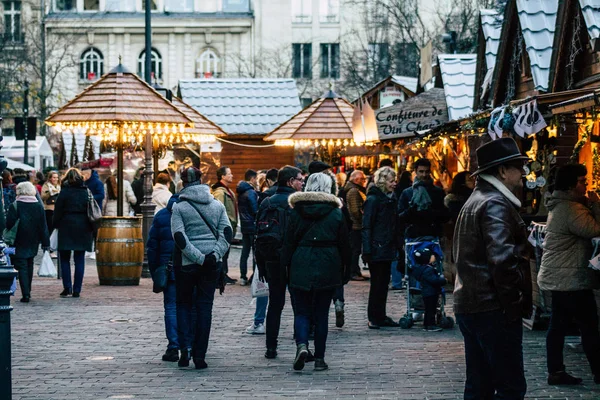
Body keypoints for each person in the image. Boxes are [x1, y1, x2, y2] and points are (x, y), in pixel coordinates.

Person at [453, 137, 532, 398]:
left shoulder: (478, 199)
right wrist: (513, 305)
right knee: (510, 386)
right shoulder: (494, 203)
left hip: (473, 305)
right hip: (492, 308)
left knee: (479, 384)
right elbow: (502, 261)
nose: (523, 174)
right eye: (518, 167)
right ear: (501, 171)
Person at [538, 164, 600, 385]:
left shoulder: (565, 205)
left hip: (561, 275)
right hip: (570, 278)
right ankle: (596, 370)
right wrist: (596, 204)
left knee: (559, 325)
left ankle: (556, 371)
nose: (586, 185)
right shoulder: (571, 209)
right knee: (589, 325)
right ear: (572, 184)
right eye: (583, 181)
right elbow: (594, 229)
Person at [282, 172, 351, 371]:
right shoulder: (336, 213)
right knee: (321, 314)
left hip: (300, 261)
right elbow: (345, 245)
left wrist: (284, 267)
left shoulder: (295, 212)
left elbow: (288, 242)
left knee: (301, 311)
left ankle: (302, 345)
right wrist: (346, 269)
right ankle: (319, 358)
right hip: (328, 262)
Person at [171, 167, 232, 370]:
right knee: (205, 307)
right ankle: (200, 355)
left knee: (183, 305)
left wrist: (197, 258)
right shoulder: (216, 205)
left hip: (187, 264)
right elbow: (227, 233)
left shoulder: (179, 208)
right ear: (201, 180)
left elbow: (179, 238)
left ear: (183, 183)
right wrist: (213, 256)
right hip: (211, 264)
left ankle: (184, 349)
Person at [256, 165, 303, 359]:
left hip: (272, 259)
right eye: (300, 179)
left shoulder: (267, 202)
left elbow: (259, 235)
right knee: (299, 303)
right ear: (290, 181)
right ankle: (300, 343)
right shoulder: (297, 203)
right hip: (293, 259)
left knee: (275, 304)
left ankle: (271, 346)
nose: (302, 183)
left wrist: (261, 265)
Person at [362, 166, 400, 329]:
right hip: (377, 246)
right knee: (377, 284)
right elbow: (367, 225)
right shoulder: (374, 200)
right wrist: (367, 249)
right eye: (392, 181)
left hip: (385, 245)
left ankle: (380, 315)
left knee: (383, 283)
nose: (394, 184)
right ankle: (374, 316)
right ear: (384, 182)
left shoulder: (390, 198)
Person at [147, 191, 180, 363]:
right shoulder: (197, 212)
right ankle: (190, 344)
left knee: (172, 307)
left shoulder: (162, 215)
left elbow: (152, 248)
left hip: (169, 268)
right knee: (192, 306)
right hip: (193, 267)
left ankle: (173, 346)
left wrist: (156, 271)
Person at [53, 168, 95, 298]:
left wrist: (55, 225)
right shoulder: (86, 192)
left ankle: (67, 287)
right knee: (79, 259)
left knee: (65, 259)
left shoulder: (64, 192)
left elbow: (57, 211)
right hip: (83, 226)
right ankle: (77, 289)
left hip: (66, 225)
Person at [6, 182, 50, 303]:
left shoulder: (15, 205)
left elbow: (9, 224)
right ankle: (28, 291)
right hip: (33, 239)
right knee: (29, 263)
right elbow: (43, 226)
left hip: (19, 239)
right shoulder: (38, 206)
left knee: (22, 265)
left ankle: (26, 293)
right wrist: (46, 242)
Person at [397, 158, 449, 239]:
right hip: (413, 236)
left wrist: (432, 212)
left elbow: (445, 216)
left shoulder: (438, 192)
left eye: (426, 171)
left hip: (433, 235)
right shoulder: (407, 193)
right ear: (415, 171)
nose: (424, 175)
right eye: (421, 171)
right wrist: (411, 211)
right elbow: (400, 217)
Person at [212, 166, 238, 284]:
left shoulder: (226, 190)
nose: (232, 175)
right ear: (222, 176)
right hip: (224, 227)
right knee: (223, 251)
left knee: (226, 252)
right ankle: (220, 275)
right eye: (230, 173)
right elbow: (217, 210)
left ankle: (223, 273)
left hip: (229, 225)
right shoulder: (219, 192)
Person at [410, 247, 447, 332]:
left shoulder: (420, 269)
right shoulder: (427, 270)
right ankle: (430, 325)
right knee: (431, 310)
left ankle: (427, 324)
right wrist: (443, 280)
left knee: (428, 309)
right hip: (431, 292)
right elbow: (434, 280)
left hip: (427, 292)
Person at [345, 170, 369, 281]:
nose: (365, 181)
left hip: (356, 225)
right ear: (356, 180)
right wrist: (361, 218)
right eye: (362, 179)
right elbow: (354, 210)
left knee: (356, 250)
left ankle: (356, 271)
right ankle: (353, 272)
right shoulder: (354, 191)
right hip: (355, 225)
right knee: (355, 250)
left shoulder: (355, 190)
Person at [391, 171, 413, 290]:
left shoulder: (397, 192)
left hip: (399, 226)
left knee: (399, 254)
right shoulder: (404, 192)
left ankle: (397, 281)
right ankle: (398, 281)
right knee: (398, 254)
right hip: (398, 227)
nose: (394, 183)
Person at [237, 169, 259, 287]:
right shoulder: (251, 192)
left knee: (244, 252)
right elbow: (255, 210)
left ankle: (242, 276)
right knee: (255, 253)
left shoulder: (241, 191)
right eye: (256, 179)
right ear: (252, 179)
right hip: (252, 226)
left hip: (245, 226)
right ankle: (255, 276)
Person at [41, 170, 61, 235]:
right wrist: (50, 192)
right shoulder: (46, 185)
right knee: (50, 227)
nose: (56, 179)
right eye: (54, 177)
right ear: (50, 178)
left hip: (57, 209)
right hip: (49, 209)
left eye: (57, 177)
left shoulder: (59, 186)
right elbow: (43, 197)